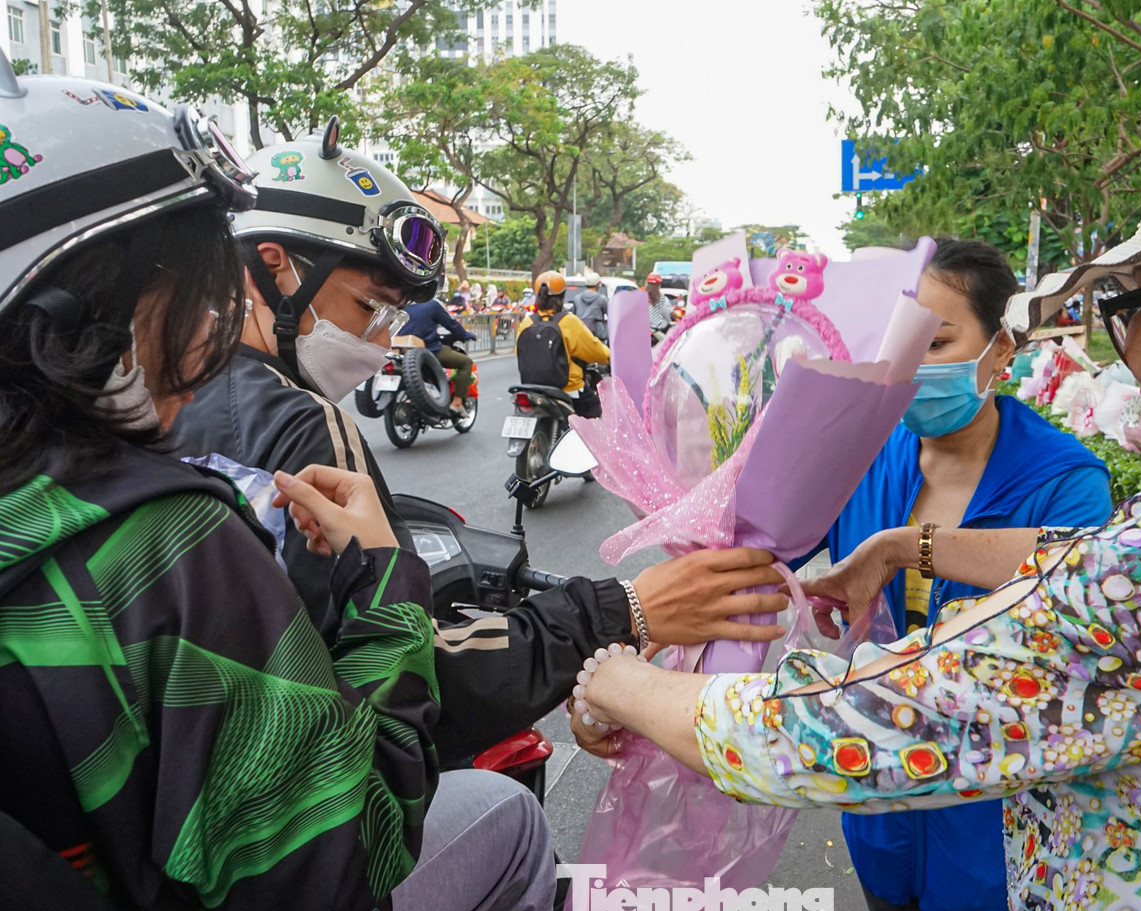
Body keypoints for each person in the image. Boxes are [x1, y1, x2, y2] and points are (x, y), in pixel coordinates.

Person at [569, 94, 1141, 911]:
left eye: (1128, 302)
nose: (1123, 343)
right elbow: (1090, 560)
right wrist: (895, 547)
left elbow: (842, 729)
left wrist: (617, 672)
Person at [0, 74, 551, 911]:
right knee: (509, 818)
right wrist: (384, 583)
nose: (205, 337)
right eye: (190, 294)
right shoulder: (165, 544)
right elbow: (340, 861)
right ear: (87, 298)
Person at [175, 134, 788, 768]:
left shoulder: (168, 399)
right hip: (317, 800)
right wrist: (625, 608)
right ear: (275, 264)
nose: (379, 341)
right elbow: (407, 670)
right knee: (512, 820)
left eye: (390, 318)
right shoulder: (304, 424)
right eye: (368, 308)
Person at [799, 239, 1112, 911]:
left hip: (997, 837)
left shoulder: (1064, 480)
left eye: (935, 343)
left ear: (1001, 347)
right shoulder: (860, 453)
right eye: (897, 347)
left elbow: (1081, 568)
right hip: (878, 804)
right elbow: (767, 542)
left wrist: (904, 548)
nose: (910, 368)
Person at [516, 271, 612, 418]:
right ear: (562, 296)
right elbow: (594, 349)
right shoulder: (568, 322)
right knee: (592, 407)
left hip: (530, 386)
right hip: (567, 387)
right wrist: (610, 357)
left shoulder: (527, 322)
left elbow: (519, 351)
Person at [399, 293, 477, 413]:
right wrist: (466, 335)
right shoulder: (432, 305)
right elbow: (452, 325)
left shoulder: (399, 303)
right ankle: (457, 402)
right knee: (466, 363)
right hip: (429, 350)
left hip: (400, 352)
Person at [574, 270, 610, 341]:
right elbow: (609, 313)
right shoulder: (601, 299)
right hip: (597, 334)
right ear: (598, 284)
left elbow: (574, 314)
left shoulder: (577, 298)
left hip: (581, 331)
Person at [646, 272, 673, 343]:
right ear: (659, 285)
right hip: (660, 328)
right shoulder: (662, 298)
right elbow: (666, 315)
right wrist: (669, 322)